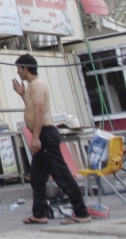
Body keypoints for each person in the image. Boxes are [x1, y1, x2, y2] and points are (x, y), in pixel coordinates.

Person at [12, 54, 91, 225]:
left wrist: (35, 138)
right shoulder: (31, 87)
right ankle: (39, 214)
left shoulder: (38, 86)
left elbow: (40, 112)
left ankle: (82, 213)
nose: (18, 73)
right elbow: (32, 108)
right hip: (41, 135)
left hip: (45, 135)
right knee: (37, 177)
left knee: (61, 175)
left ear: (26, 69)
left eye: (19, 69)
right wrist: (22, 94)